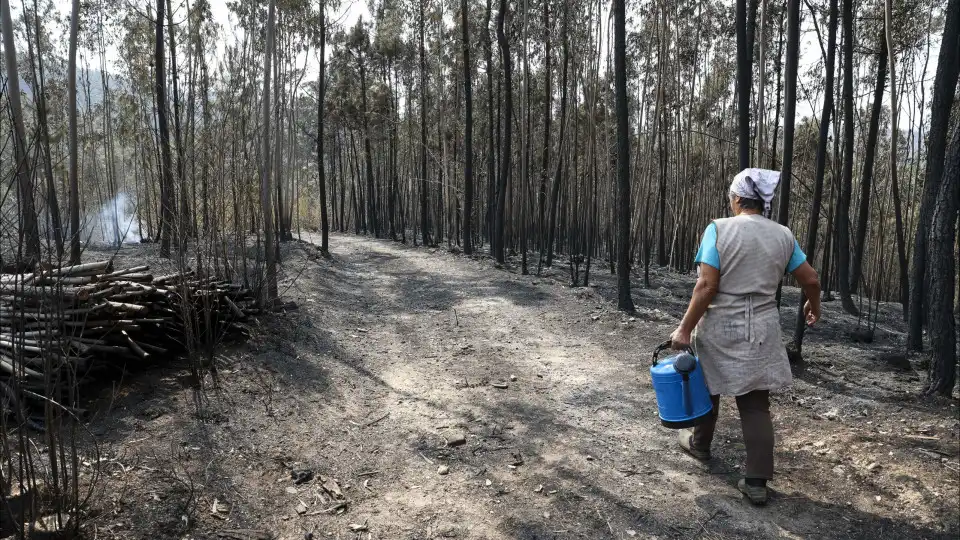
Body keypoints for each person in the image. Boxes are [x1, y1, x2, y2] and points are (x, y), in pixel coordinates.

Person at [668, 168, 822, 505]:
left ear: (737, 199)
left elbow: (707, 285)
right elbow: (810, 279)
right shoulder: (783, 235)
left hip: (722, 324)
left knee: (708, 390)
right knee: (755, 406)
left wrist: (684, 328)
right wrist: (814, 306)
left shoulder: (718, 230)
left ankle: (700, 445)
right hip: (763, 327)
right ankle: (756, 482)